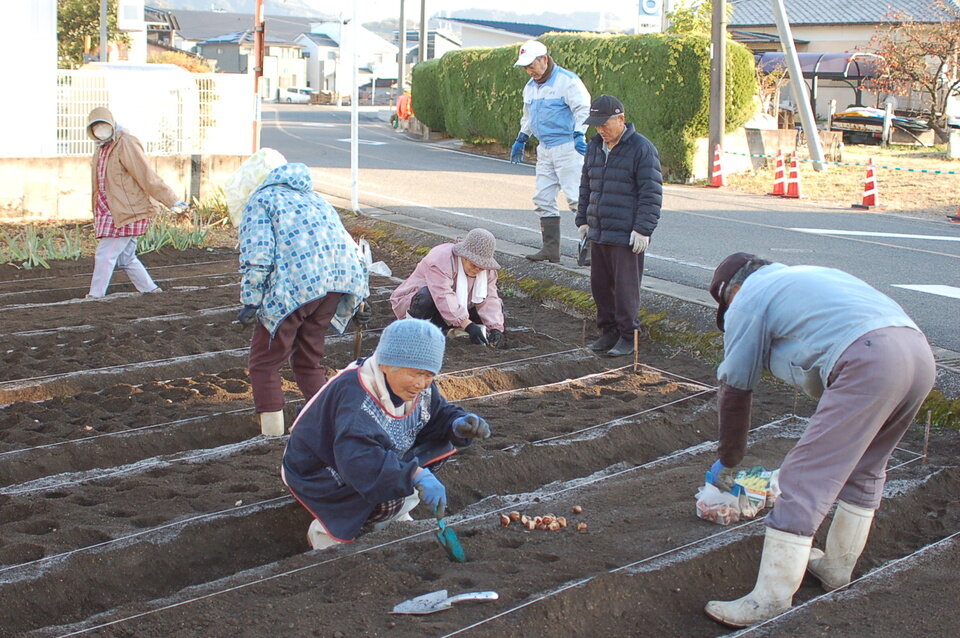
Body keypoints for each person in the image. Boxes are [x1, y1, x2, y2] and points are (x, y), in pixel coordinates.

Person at [703, 253, 936, 628]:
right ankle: (836, 568)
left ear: (733, 289)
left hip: (869, 360)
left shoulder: (747, 298)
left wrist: (728, 459)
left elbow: (735, 389)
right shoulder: (803, 278)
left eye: (726, 304)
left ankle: (770, 598)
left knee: (805, 476)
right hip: (918, 355)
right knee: (867, 467)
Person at [281, 318, 493, 550]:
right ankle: (326, 536)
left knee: (427, 454)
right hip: (321, 466)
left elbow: (436, 412)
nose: (422, 383)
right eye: (416, 374)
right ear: (386, 364)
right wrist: (414, 474)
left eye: (429, 375)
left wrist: (456, 423)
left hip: (369, 452)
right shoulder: (356, 395)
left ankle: (394, 517)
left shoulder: (419, 386)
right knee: (391, 479)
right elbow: (359, 461)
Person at [237, 162, 369, 437]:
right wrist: (360, 299)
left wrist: (251, 299)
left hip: (295, 288)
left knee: (264, 362)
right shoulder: (317, 201)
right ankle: (329, 426)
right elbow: (351, 250)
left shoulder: (262, 200)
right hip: (334, 286)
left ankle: (272, 437)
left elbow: (258, 252)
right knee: (308, 361)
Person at [575, 95, 663, 358]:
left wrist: (643, 229)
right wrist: (583, 219)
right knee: (600, 287)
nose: (600, 129)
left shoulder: (641, 149)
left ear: (621, 119)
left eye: (605, 123)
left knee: (626, 290)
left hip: (626, 234)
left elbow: (651, 193)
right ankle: (608, 332)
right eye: (596, 124)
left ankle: (628, 336)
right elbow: (586, 185)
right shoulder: (594, 147)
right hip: (599, 230)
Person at [85, 107, 188, 298]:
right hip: (110, 210)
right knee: (126, 258)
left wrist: (173, 201)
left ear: (112, 124)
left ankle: (95, 295)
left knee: (105, 254)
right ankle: (151, 290)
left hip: (128, 210)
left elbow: (146, 176)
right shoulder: (101, 149)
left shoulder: (126, 143)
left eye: (103, 125)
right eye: (96, 127)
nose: (100, 130)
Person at [510, 40, 591, 264]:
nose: (529, 70)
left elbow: (583, 109)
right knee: (543, 198)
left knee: (577, 198)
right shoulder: (530, 87)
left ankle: (590, 249)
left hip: (567, 147)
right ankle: (550, 249)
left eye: (531, 65)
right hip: (545, 148)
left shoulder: (567, 81)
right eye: (525, 67)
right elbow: (528, 116)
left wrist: (579, 133)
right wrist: (522, 137)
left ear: (544, 59)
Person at [389, 228, 505, 348]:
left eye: (482, 267)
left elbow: (490, 298)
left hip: (457, 308)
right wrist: (467, 324)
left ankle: (454, 330)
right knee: (426, 296)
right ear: (464, 256)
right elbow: (442, 295)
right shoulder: (441, 259)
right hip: (423, 304)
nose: (477, 269)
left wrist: (495, 328)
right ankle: (414, 330)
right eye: (474, 264)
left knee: (496, 306)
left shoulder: (488, 271)